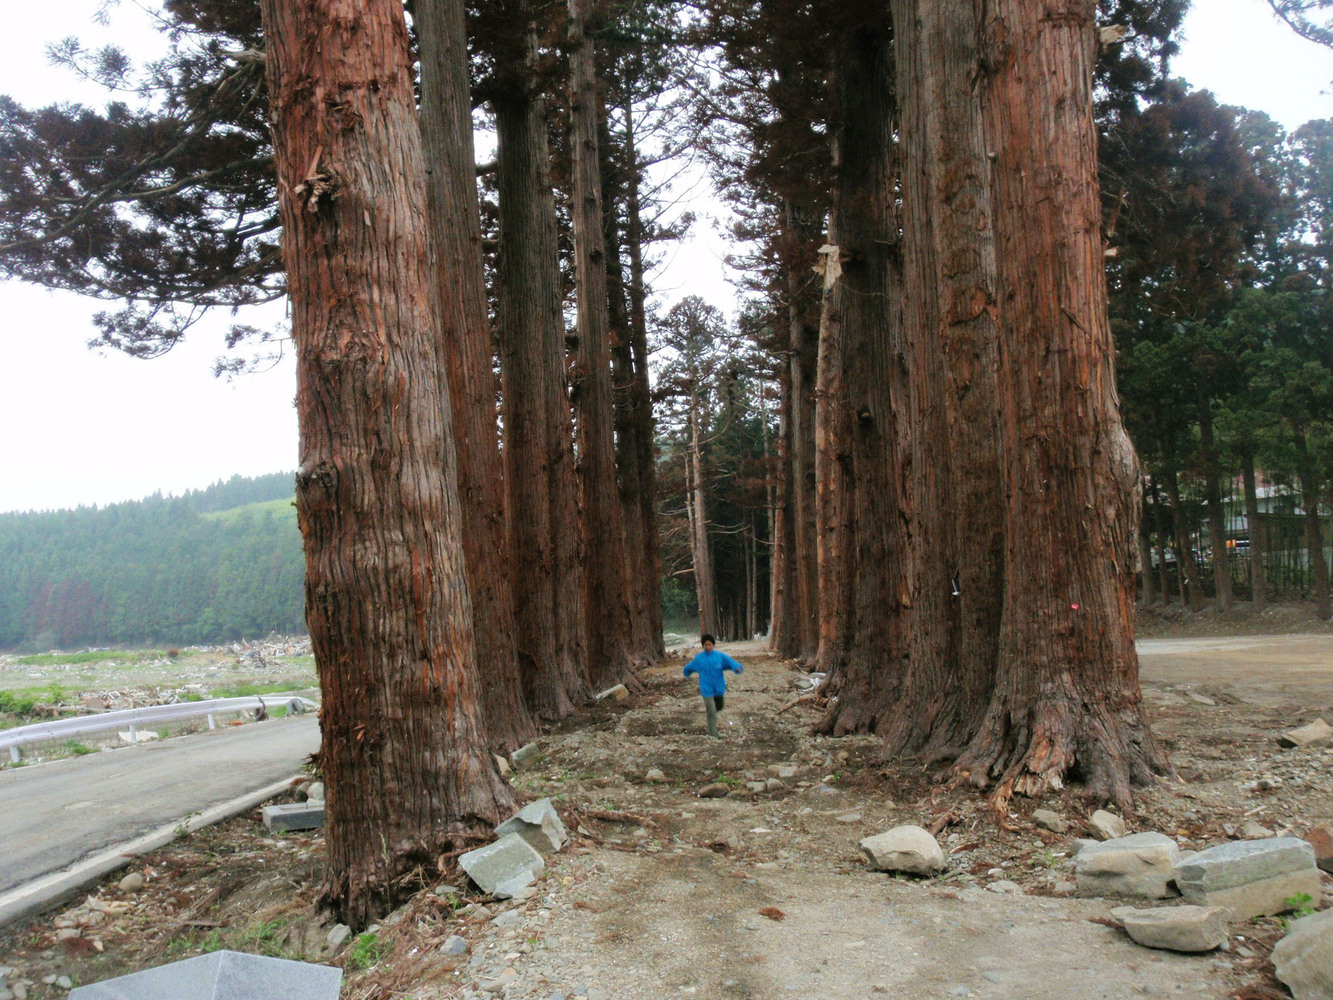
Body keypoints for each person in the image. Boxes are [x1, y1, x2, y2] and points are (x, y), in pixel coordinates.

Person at [682, 633, 743, 738]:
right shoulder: (699, 658)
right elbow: (690, 667)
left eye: (710, 644)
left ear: (713, 645)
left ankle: (712, 715)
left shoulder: (720, 656)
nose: (708, 647)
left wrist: (737, 668)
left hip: (718, 688)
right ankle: (713, 735)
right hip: (706, 689)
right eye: (706, 645)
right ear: (703, 646)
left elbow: (731, 663)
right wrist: (686, 673)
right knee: (711, 711)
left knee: (719, 707)